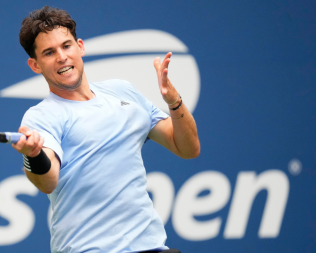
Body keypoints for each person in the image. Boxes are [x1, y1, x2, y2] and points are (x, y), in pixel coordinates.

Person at [13, 6, 200, 253]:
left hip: (151, 246)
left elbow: (187, 148)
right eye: (49, 52)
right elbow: (47, 182)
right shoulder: (42, 116)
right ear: (35, 65)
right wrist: (33, 154)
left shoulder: (123, 91)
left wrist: (174, 102)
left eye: (66, 46)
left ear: (80, 46)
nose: (61, 57)